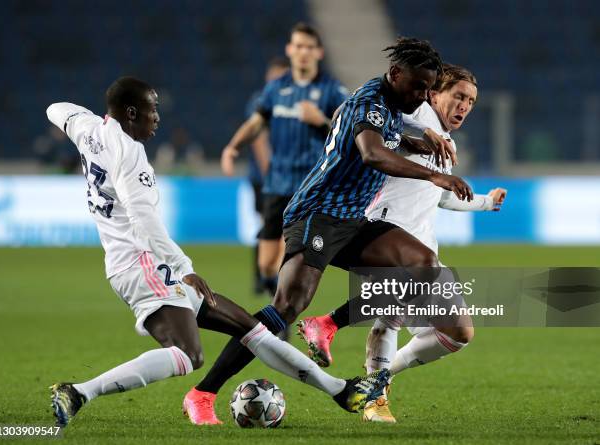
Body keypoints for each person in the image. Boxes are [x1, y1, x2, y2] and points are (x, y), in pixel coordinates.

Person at [45, 77, 389, 427]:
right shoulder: (129, 154)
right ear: (132, 113)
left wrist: (79, 120)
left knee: (252, 329)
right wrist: (183, 268)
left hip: (135, 263)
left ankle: (340, 390)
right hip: (144, 264)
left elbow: (57, 110)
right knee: (187, 355)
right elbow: (142, 219)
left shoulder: (89, 129)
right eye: (153, 110)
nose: (157, 118)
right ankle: (79, 392)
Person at [188, 37, 474, 423]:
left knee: (423, 263)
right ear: (395, 75)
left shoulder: (393, 104)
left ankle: (330, 324)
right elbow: (373, 152)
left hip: (353, 220)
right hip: (317, 215)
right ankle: (203, 393)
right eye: (418, 87)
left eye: (428, 89)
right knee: (286, 308)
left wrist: (416, 142)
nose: (423, 96)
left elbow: (387, 139)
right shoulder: (370, 103)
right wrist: (433, 176)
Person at [298, 64, 508, 422]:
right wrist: (415, 132)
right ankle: (373, 398)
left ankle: (374, 378)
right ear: (434, 94)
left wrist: (485, 202)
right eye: (458, 96)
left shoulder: (447, 142)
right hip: (384, 232)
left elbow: (440, 196)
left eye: (471, 102)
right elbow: (350, 116)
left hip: (421, 248)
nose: (464, 106)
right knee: (390, 318)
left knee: (459, 332)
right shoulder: (414, 115)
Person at [221, 22, 349, 305]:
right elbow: (256, 123)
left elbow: (353, 133)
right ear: (290, 50)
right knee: (267, 264)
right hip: (277, 184)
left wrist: (323, 122)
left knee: (294, 259)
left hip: (311, 189)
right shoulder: (276, 89)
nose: (303, 52)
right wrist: (233, 147)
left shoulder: (332, 91)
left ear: (319, 52)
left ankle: (281, 316)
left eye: (309, 47)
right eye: (299, 46)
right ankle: (279, 307)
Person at [244, 56, 290, 296]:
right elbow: (259, 140)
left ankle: (265, 278)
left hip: (281, 177)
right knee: (270, 226)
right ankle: (266, 278)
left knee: (273, 227)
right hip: (266, 178)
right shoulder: (261, 101)